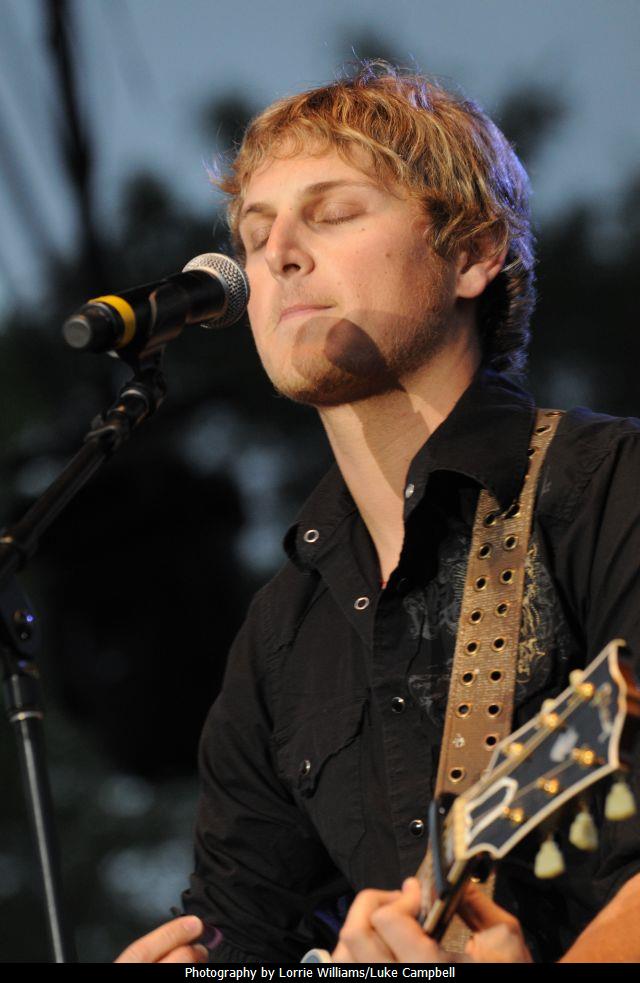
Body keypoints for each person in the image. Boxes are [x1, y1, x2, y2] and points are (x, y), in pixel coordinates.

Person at [116, 62, 640, 964]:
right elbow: (242, 933)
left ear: (473, 254)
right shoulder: (280, 639)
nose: (279, 254)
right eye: (256, 233)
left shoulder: (609, 489)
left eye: (333, 214)